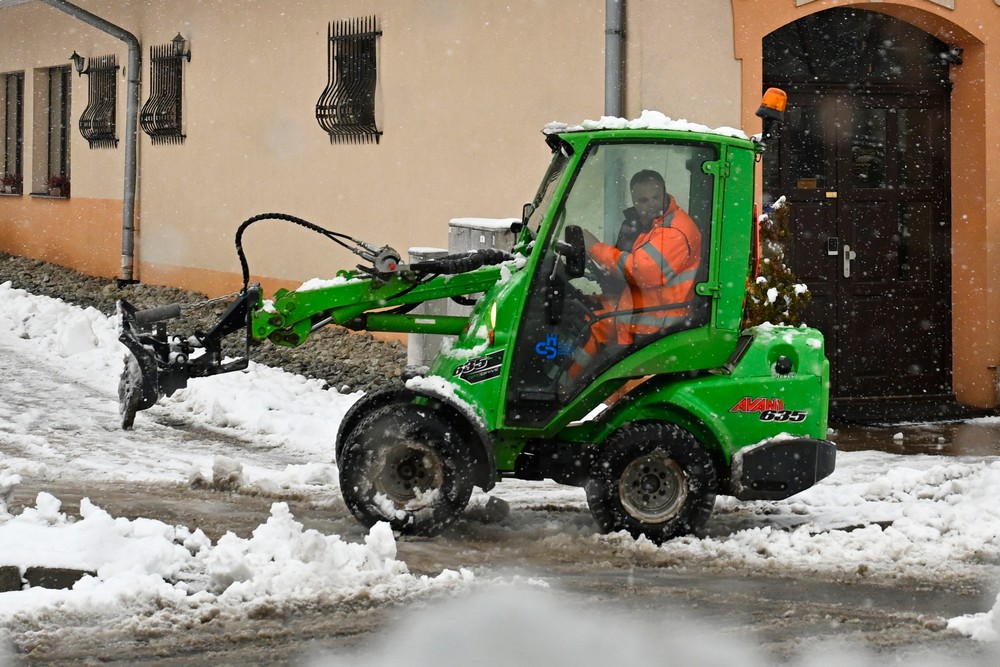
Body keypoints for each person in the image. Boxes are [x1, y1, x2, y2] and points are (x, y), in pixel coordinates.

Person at [570, 170, 702, 378]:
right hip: (642, 307)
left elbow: (640, 272)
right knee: (578, 310)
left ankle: (567, 391)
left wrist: (594, 247)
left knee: (592, 326)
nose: (650, 204)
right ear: (633, 201)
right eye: (642, 200)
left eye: (655, 197)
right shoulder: (647, 225)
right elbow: (623, 271)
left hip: (659, 322)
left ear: (665, 194)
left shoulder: (674, 231)